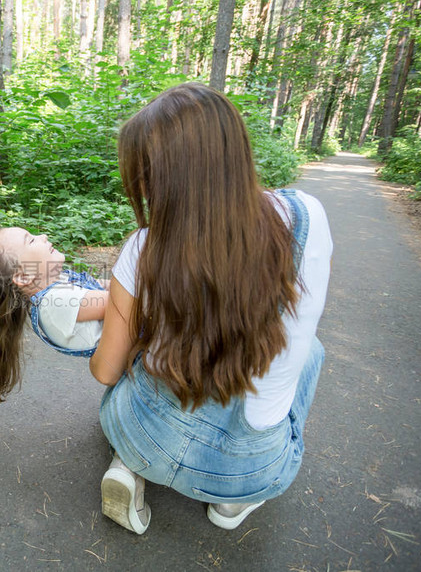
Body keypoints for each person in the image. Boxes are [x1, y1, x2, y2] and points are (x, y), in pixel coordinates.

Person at [89, 83, 333, 534]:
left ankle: (128, 463)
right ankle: (229, 508)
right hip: (248, 471)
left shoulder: (143, 248)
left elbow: (106, 371)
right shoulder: (306, 218)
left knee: (138, 371)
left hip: (146, 438)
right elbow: (297, 313)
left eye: (144, 172)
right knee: (312, 349)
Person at [0, 226, 109, 403]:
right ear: (23, 277)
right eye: (31, 240)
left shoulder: (60, 281)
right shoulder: (55, 302)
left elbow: (116, 287)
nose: (43, 235)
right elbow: (124, 301)